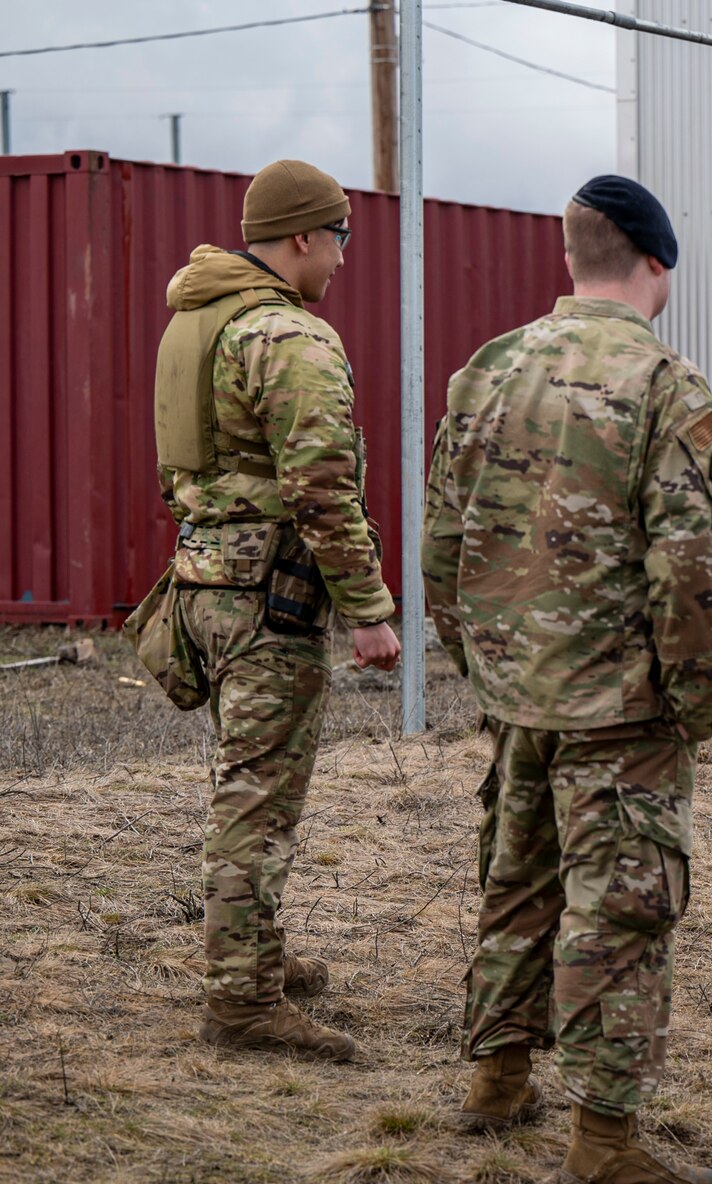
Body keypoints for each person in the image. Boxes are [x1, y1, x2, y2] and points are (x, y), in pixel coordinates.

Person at [422, 175, 712, 1184]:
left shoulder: (488, 369)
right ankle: (604, 1139)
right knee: (622, 909)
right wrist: (698, 698)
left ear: (573, 257)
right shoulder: (664, 384)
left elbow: (439, 538)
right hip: (620, 704)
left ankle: (495, 1077)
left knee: (517, 884)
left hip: (518, 691)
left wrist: (481, 660)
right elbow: (684, 566)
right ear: (658, 263)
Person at [152, 158, 402, 1061]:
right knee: (258, 799)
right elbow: (323, 488)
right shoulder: (289, 338)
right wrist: (368, 607)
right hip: (271, 601)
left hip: (205, 585)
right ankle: (243, 1003)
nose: (341, 258)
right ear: (304, 237)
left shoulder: (196, 323)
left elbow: (182, 469)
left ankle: (251, 952)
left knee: (241, 779)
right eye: (339, 237)